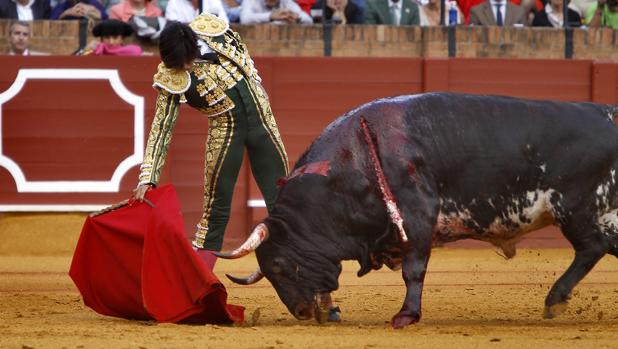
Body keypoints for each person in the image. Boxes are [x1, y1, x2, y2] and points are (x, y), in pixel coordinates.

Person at [132, 15, 289, 272]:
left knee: (285, 201)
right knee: (215, 210)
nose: (185, 67)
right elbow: (161, 128)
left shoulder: (216, 31)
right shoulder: (171, 76)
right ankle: (199, 282)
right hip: (225, 132)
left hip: (263, 122)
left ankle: (310, 279)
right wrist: (148, 176)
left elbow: (247, 64)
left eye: (186, 61)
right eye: (179, 64)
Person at [240, 0, 313, 24]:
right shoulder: (251, 0)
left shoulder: (286, 2)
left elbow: (309, 20)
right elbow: (244, 19)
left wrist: (296, 17)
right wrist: (270, 16)